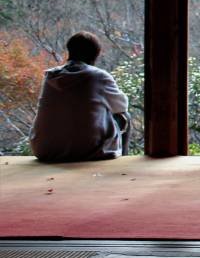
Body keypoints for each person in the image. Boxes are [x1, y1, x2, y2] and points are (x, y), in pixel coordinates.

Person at [29, 31, 130, 162]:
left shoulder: (50, 76)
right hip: (88, 151)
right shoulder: (98, 76)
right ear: (96, 54)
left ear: (69, 51)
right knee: (124, 116)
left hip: (45, 150)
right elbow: (121, 106)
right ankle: (124, 159)